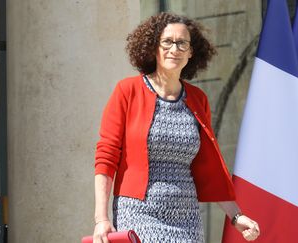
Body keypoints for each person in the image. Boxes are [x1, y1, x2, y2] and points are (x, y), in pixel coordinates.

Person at [92, 12, 260, 243]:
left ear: (191, 52)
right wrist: (102, 219)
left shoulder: (197, 99)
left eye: (182, 43)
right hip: (138, 212)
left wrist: (236, 216)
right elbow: (106, 156)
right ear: (154, 47)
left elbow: (208, 164)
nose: (175, 49)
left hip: (186, 216)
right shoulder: (127, 91)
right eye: (167, 41)